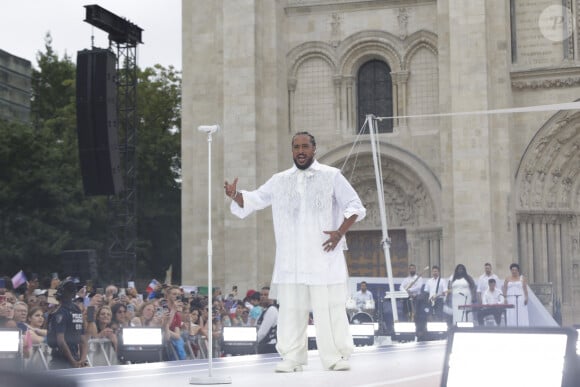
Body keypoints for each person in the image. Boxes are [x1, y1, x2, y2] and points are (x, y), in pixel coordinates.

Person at [224, 131, 366, 372]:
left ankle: (335, 357)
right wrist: (236, 196)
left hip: (323, 258)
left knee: (329, 309)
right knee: (290, 310)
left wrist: (340, 232)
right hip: (291, 260)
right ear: (292, 151)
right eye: (296, 147)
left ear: (314, 149)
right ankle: (292, 357)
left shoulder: (332, 176)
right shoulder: (279, 180)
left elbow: (355, 206)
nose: (300, 151)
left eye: (305, 147)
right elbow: (256, 199)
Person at [46, 278, 89, 369]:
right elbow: (83, 340)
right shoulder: (77, 309)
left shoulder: (60, 311)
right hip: (75, 357)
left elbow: (61, 341)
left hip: (60, 361)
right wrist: (82, 360)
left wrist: (73, 361)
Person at [256, 286, 278, 354]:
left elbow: (262, 333)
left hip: (269, 346)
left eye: (266, 295)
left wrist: (251, 343)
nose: (262, 297)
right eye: (261, 294)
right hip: (263, 345)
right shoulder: (265, 310)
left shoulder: (272, 310)